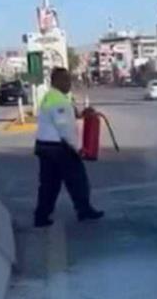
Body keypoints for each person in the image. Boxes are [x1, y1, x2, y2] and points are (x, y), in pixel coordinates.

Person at [33, 68, 104, 228]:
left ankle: (41, 217)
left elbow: (65, 117)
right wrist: (78, 148)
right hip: (59, 148)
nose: (69, 83)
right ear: (56, 81)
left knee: (49, 185)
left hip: (45, 146)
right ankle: (84, 210)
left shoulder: (52, 97)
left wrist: (80, 115)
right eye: (65, 80)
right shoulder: (58, 100)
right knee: (78, 180)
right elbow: (64, 128)